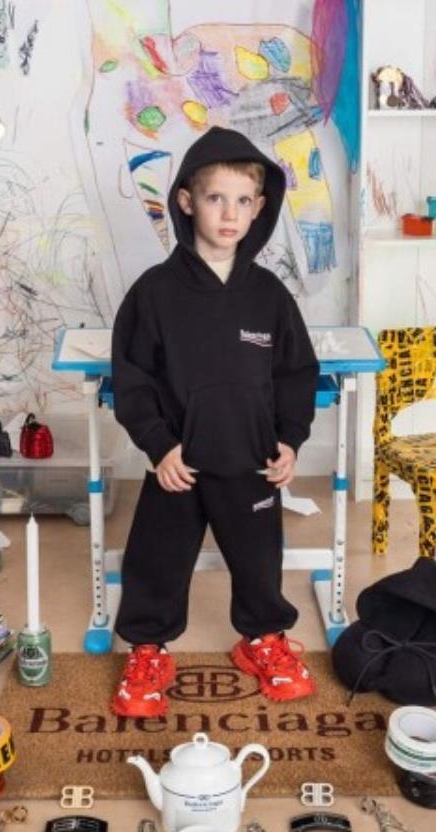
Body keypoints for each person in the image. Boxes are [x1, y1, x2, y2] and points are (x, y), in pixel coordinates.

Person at [107, 126, 319, 718]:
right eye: (215, 198)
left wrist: (290, 440)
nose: (231, 214)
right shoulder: (153, 294)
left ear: (261, 207)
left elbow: (295, 372)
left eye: (244, 200)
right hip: (178, 464)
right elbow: (132, 378)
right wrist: (158, 447)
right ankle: (148, 648)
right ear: (185, 201)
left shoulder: (270, 296)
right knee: (157, 558)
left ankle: (262, 641)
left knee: (259, 560)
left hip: (251, 461)